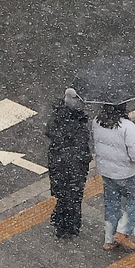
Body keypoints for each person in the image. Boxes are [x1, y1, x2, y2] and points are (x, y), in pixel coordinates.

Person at [91, 103, 135, 253]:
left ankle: (109, 239)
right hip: (124, 173)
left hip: (105, 171)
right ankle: (123, 231)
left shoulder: (96, 121)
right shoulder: (127, 126)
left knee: (111, 203)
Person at [45, 88, 91, 240]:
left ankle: (62, 222)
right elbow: (80, 144)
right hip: (71, 166)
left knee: (65, 196)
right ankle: (68, 228)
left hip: (62, 164)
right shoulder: (73, 123)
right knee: (72, 197)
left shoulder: (59, 117)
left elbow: (50, 132)